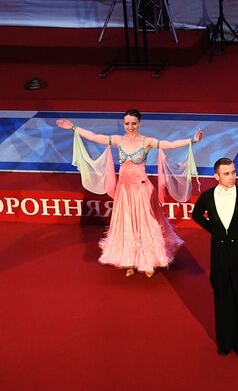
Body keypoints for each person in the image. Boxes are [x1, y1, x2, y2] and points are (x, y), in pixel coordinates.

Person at [56, 112, 200, 277]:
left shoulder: (147, 142)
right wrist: (73, 127)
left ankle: (149, 262)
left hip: (142, 190)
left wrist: (192, 140)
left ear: (139, 123)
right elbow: (95, 136)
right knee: (127, 224)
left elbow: (170, 144)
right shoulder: (119, 140)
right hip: (124, 190)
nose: (130, 127)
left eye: (133, 123)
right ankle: (129, 261)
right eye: (127, 124)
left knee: (145, 224)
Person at [192, 158, 238, 355]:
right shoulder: (207, 197)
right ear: (216, 176)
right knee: (222, 295)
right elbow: (197, 215)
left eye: (233, 172)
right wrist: (215, 231)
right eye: (227, 173)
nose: (232, 176)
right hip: (218, 252)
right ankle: (225, 341)